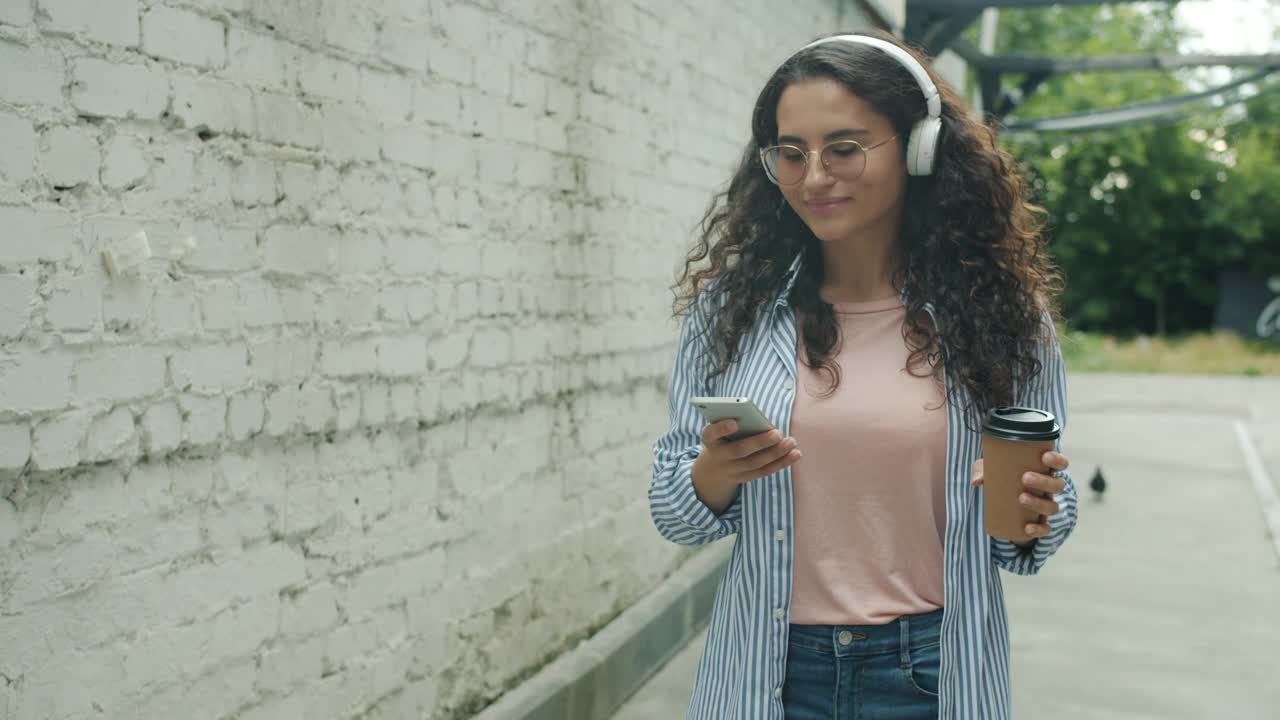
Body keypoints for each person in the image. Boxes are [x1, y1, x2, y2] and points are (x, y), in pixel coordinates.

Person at [648, 30, 1078, 720]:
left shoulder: (1003, 315)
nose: (813, 177)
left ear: (918, 150)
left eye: (844, 148)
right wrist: (716, 471)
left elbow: (1033, 534)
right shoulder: (731, 309)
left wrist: (1035, 512)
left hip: (931, 673)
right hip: (768, 671)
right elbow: (673, 511)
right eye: (791, 154)